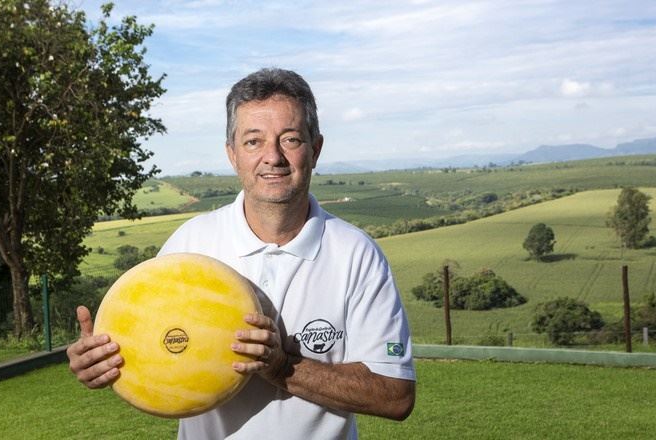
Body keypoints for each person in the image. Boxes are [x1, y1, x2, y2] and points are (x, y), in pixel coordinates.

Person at [67, 68, 416, 439]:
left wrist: (283, 367)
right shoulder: (190, 243)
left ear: (315, 150)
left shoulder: (356, 254)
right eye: (253, 141)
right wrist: (102, 359)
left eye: (291, 139)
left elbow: (395, 396)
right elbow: (158, 348)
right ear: (232, 154)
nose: (273, 157)